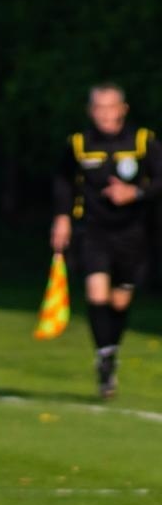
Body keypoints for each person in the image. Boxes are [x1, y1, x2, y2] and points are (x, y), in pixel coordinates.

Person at [51, 83, 160, 399]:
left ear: (123, 109)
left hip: (134, 233)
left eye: (110, 107)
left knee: (119, 301)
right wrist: (62, 218)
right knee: (96, 293)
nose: (104, 113)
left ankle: (111, 352)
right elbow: (62, 181)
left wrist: (134, 193)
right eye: (98, 107)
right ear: (90, 111)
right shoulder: (79, 144)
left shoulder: (142, 141)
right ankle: (103, 355)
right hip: (93, 231)